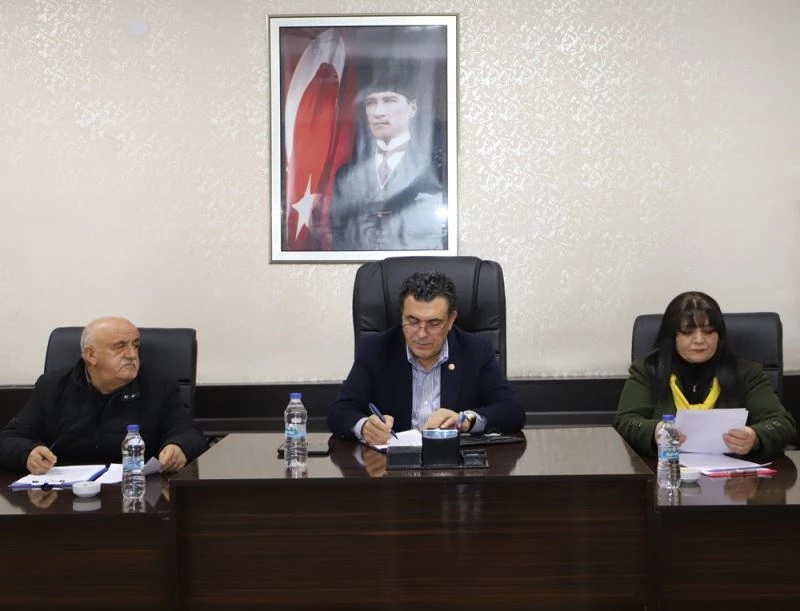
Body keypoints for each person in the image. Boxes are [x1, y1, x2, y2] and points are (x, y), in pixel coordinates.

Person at [328, 271, 525, 446]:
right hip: (392, 467)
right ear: (402, 316)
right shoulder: (375, 349)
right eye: (412, 321)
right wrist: (365, 427)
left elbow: (511, 411)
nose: (422, 334)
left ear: (451, 320)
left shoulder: (476, 350)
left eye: (434, 323)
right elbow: (340, 411)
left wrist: (467, 420)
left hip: (453, 464)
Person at [0, 317, 208, 474]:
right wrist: (27, 453)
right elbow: (9, 439)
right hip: (64, 495)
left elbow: (191, 434)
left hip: (137, 490)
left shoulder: (158, 386)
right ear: (91, 355)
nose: (132, 354)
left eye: (135, 345)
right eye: (120, 346)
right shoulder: (53, 387)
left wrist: (178, 447)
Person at [614, 291, 796, 461]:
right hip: (666, 471)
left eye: (708, 331)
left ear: (719, 335)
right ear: (672, 336)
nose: (699, 340)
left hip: (733, 475)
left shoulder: (745, 372)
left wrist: (755, 437)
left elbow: (782, 423)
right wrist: (655, 431)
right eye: (687, 332)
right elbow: (626, 422)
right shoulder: (648, 370)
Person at [330, 65, 446, 251]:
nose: (378, 112)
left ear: (412, 108)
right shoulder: (346, 174)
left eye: (389, 100)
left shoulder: (436, 168)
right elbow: (338, 232)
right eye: (371, 102)